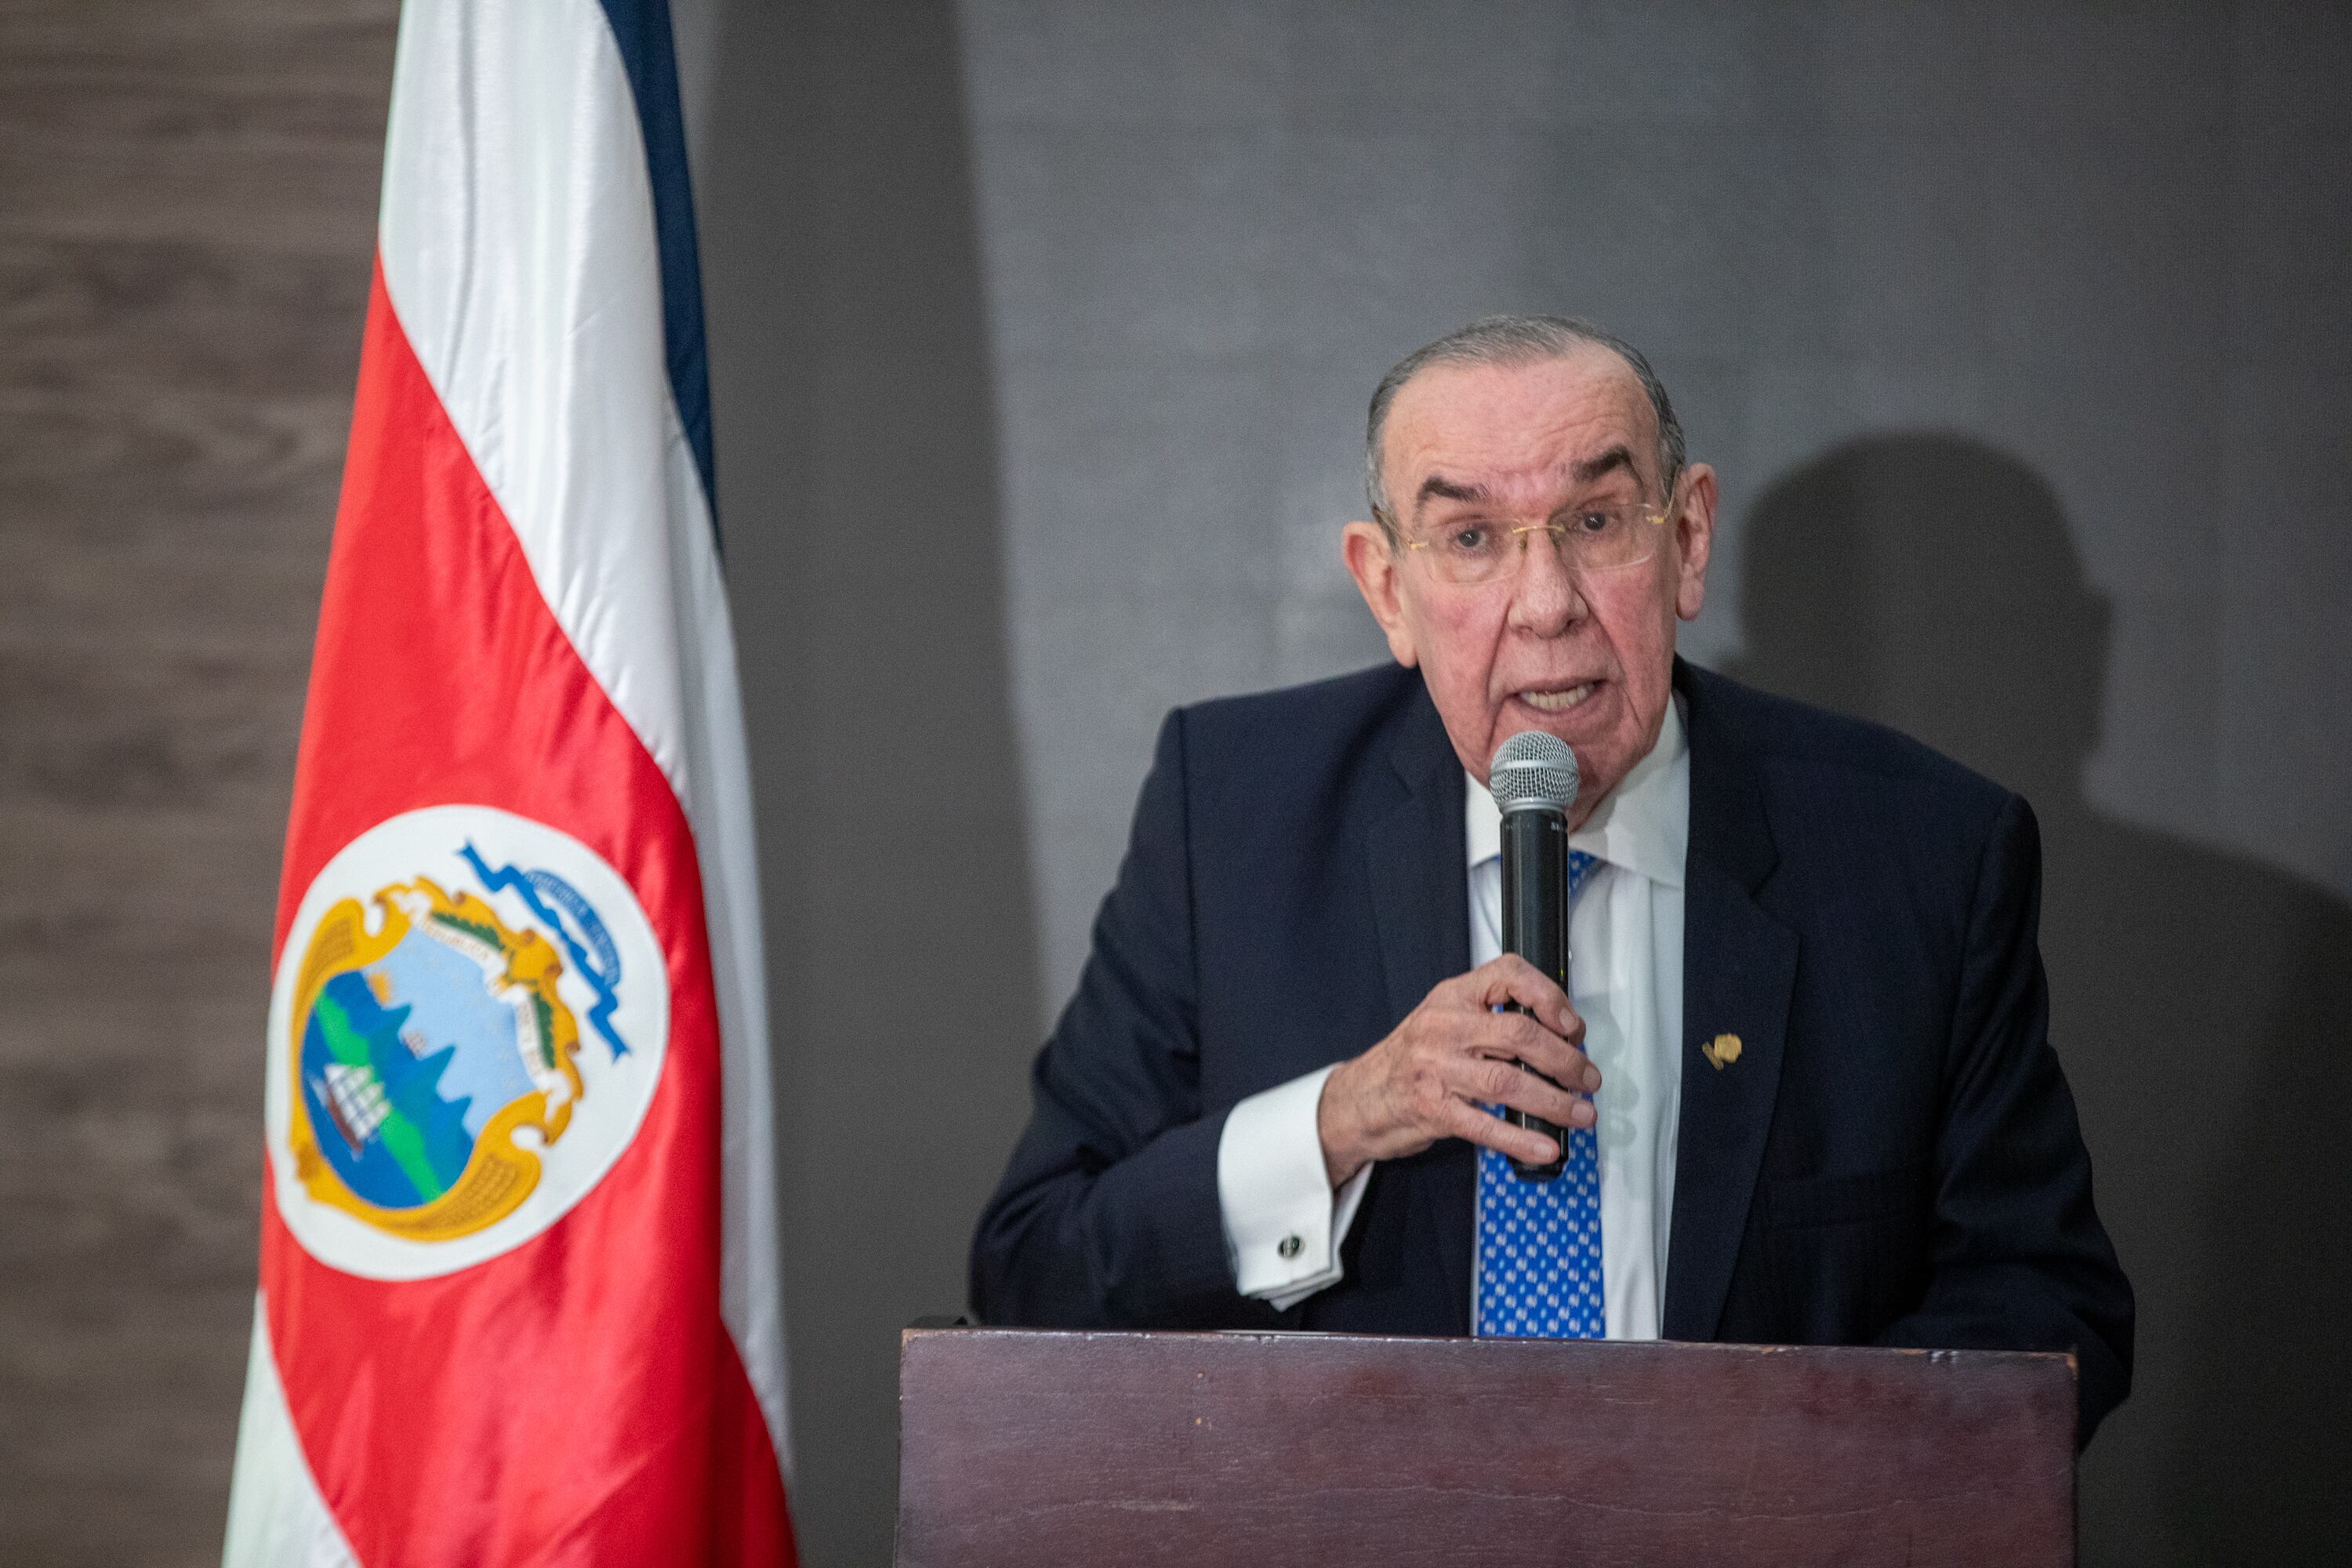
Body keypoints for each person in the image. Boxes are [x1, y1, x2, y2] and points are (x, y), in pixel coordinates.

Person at [968, 315, 2133, 1441]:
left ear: (1685, 541)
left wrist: (1759, 1503)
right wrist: (1342, 1118)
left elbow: (2041, 1310)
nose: (1546, 603)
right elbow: (1034, 1272)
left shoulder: (1919, 853)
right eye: (1471, 537)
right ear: (1387, 590)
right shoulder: (1231, 815)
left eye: (1594, 519)